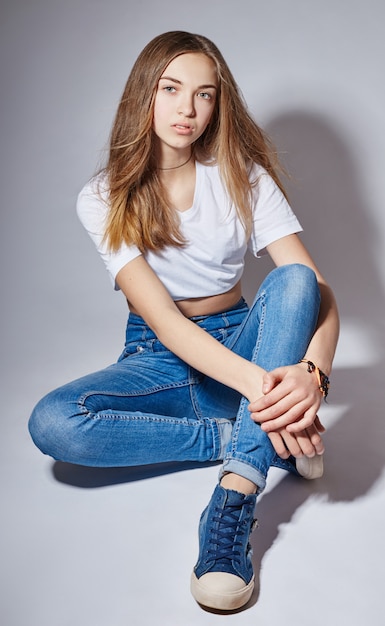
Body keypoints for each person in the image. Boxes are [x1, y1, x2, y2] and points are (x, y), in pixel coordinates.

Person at [29, 31, 339, 612]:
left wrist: (310, 374)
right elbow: (168, 325)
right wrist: (273, 396)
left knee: (297, 280)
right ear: (144, 94)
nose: (187, 110)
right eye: (171, 90)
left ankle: (236, 491)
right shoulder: (103, 197)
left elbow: (316, 293)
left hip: (247, 342)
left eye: (205, 94)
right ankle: (269, 437)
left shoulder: (243, 177)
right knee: (54, 423)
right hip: (161, 356)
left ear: (219, 103)